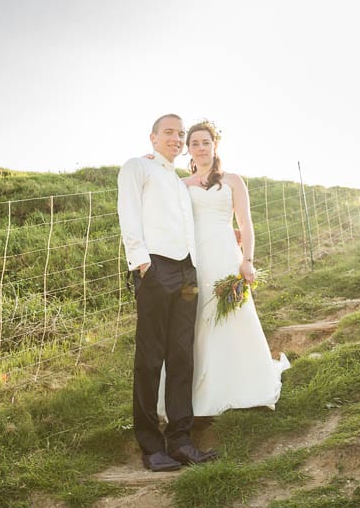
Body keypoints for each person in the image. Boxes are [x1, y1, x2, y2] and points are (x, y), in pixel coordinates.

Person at [157, 119, 288, 418]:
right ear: (187, 150)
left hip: (226, 256)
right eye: (194, 143)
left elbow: (245, 224)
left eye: (205, 142)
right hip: (193, 262)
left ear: (215, 145)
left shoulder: (232, 181)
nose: (201, 148)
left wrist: (247, 260)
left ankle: (242, 385)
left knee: (233, 316)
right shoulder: (181, 186)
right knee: (195, 321)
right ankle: (197, 393)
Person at [117, 113, 218, 472]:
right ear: (153, 137)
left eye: (180, 134)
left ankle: (181, 440)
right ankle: (150, 445)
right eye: (170, 133)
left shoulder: (177, 182)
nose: (176, 139)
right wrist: (141, 263)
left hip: (187, 270)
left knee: (182, 356)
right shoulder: (136, 168)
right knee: (149, 359)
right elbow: (128, 214)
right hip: (155, 269)